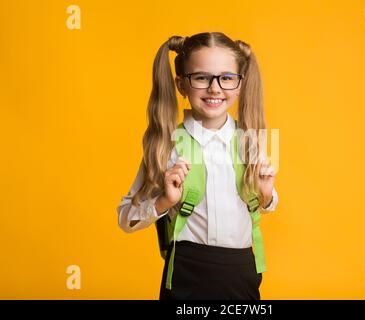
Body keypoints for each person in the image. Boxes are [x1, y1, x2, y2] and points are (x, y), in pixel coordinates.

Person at [117, 32, 278, 300]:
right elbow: (126, 218)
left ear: (240, 84)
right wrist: (164, 201)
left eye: (226, 78)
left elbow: (267, 203)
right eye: (202, 77)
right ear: (181, 84)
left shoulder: (250, 142)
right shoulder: (165, 146)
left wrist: (265, 192)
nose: (215, 88)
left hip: (241, 273)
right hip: (186, 274)